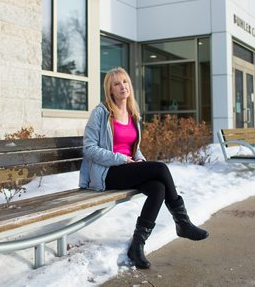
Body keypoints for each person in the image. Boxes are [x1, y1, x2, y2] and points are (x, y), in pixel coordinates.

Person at [79, 67, 209, 269]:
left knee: (158, 187)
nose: (122, 86)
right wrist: (121, 159)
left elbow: (135, 150)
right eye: (116, 84)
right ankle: (182, 223)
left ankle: (137, 245)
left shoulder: (132, 114)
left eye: (125, 82)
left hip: (127, 169)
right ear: (110, 90)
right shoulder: (101, 113)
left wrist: (140, 162)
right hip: (107, 173)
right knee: (160, 169)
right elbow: (89, 149)